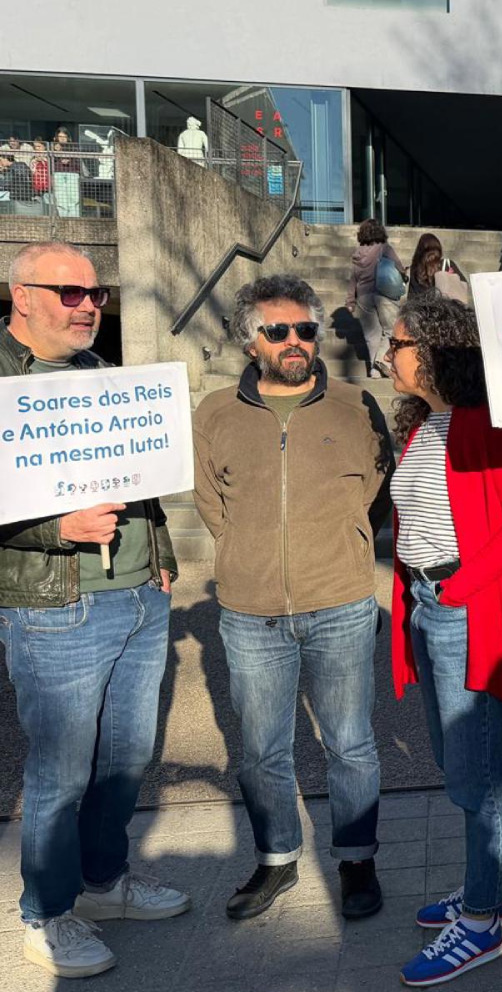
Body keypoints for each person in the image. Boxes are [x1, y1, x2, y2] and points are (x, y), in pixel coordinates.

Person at [1, 241, 187, 978]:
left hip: (139, 597)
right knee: (59, 774)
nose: (89, 307)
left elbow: (140, 474)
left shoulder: (102, 375)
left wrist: (162, 555)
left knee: (125, 761)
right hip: (56, 608)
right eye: (70, 294)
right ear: (21, 296)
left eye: (96, 295)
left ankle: (105, 883)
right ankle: (45, 915)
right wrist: (56, 529)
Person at [192, 275, 393, 922]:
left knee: (351, 744)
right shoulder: (217, 413)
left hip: (340, 601)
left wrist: (341, 544)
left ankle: (357, 860)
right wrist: (247, 555)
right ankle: (277, 861)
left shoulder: (358, 405)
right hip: (250, 612)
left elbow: (379, 495)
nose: (295, 341)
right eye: (277, 331)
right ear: (251, 342)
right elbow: (211, 505)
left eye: (305, 329)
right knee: (261, 750)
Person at [385, 290, 502, 986]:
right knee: (487, 768)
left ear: (432, 350)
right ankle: (495, 891)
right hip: (432, 603)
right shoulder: (427, 424)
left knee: (473, 777)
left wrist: (457, 588)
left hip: (467, 611)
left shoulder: (490, 423)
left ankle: (479, 921)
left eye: (395, 343)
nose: (386, 355)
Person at [346, 218, 403, 379]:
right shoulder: (384, 248)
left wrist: (350, 301)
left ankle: (374, 370)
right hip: (383, 294)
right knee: (390, 330)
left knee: (372, 336)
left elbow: (353, 279)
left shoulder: (358, 254)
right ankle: (381, 361)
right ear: (380, 232)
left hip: (363, 297)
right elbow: (398, 266)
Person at [406, 232, 471, 304]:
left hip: (423, 312)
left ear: (419, 251)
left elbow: (412, 299)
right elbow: (463, 286)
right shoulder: (447, 264)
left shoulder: (414, 270)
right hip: (446, 311)